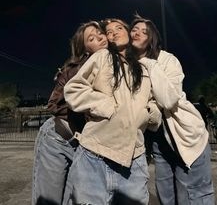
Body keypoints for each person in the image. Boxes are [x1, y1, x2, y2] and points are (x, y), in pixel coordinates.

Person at [63, 18, 161, 205]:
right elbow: (73, 90)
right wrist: (107, 106)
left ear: (128, 32)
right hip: (94, 156)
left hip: (135, 160)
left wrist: (148, 114)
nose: (114, 32)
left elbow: (153, 101)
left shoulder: (143, 68)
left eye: (119, 28)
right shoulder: (101, 57)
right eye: (109, 32)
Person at [130, 15, 215, 205]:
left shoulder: (166, 60)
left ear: (151, 38)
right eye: (134, 29)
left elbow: (168, 100)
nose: (138, 33)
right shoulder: (127, 66)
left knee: (193, 197)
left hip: (186, 138)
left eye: (145, 31)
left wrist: (148, 62)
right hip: (159, 145)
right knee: (166, 197)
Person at [32, 21, 109, 205]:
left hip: (83, 144)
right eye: (91, 38)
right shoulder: (79, 67)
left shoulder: (113, 64)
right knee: (49, 200)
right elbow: (54, 105)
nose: (99, 38)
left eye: (100, 33)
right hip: (57, 138)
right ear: (85, 48)